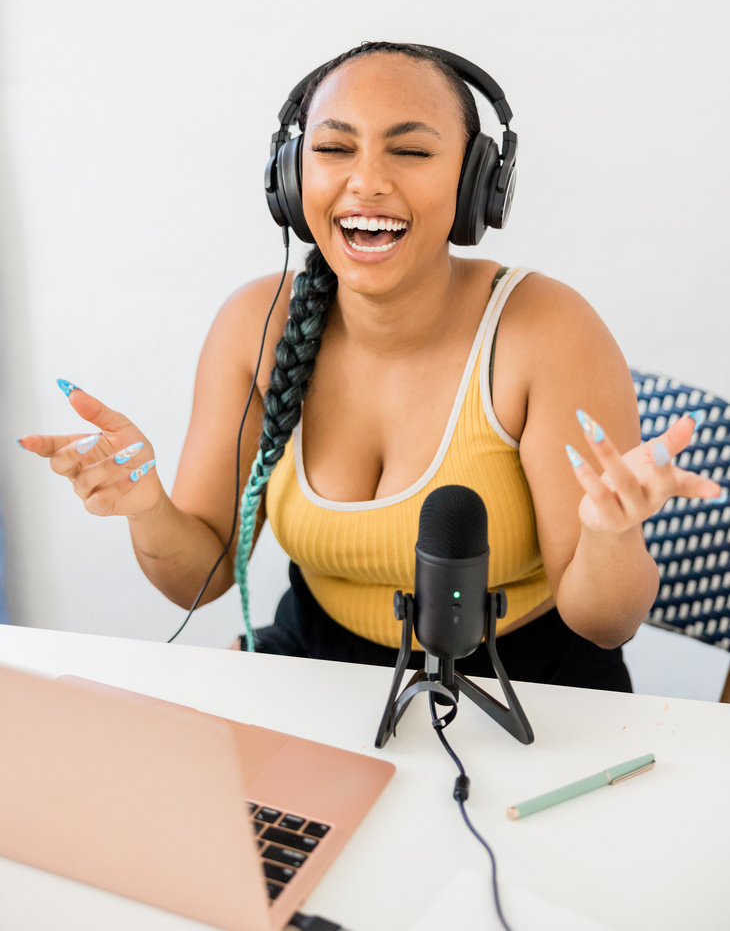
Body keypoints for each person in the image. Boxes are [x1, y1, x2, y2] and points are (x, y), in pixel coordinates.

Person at [18, 42, 725, 691]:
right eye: (334, 147)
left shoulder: (547, 329)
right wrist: (147, 507)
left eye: (411, 152)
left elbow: (606, 623)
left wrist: (610, 534)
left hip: (526, 683)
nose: (367, 181)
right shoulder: (255, 326)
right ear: (292, 180)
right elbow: (197, 580)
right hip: (318, 670)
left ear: (477, 183)